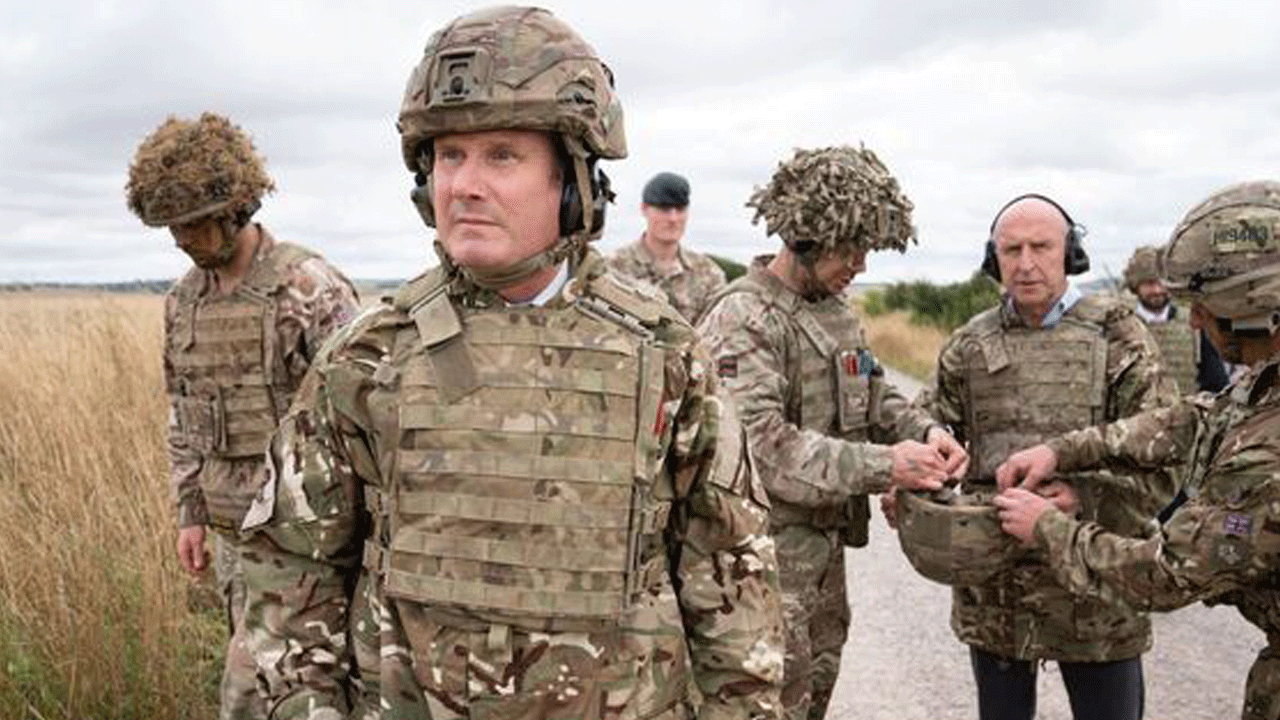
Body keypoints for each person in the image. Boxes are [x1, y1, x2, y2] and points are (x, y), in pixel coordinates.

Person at [239, 7, 784, 720]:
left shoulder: (665, 356)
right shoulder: (367, 355)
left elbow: (733, 580)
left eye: (501, 155)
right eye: (449, 156)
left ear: (572, 182)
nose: (464, 184)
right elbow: (289, 574)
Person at [697, 145, 967, 720]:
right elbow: (761, 447)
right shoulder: (743, 318)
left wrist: (926, 430)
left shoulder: (836, 312)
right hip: (756, 567)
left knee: (813, 696)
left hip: (821, 565)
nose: (861, 265)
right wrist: (887, 466)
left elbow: (872, 393)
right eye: (851, 248)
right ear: (807, 235)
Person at [996, 180, 1280, 720]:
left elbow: (1165, 573)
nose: (1193, 321)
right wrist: (1061, 451)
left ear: (1254, 307)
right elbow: (1198, 416)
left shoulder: (1265, 459)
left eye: (1204, 307)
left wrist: (1047, 527)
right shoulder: (1265, 381)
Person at [903, 194, 1175, 720]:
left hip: (1096, 586)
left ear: (1069, 253)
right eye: (1012, 250)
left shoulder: (1120, 338)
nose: (1026, 263)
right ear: (994, 259)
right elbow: (927, 425)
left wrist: (1082, 498)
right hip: (997, 593)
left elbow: (1165, 459)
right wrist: (918, 472)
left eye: (1041, 247)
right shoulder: (969, 344)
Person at [124, 111, 358, 720]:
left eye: (193, 224)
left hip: (308, 541)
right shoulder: (183, 303)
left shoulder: (308, 289)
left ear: (235, 208)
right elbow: (184, 418)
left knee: (277, 696)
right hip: (233, 536)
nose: (181, 239)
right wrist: (190, 513)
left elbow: (364, 419)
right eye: (171, 227)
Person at [608, 171, 726, 322]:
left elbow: (715, 329)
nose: (673, 218)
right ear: (644, 209)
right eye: (664, 210)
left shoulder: (709, 274)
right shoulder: (614, 267)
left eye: (680, 210)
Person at [1123, 244, 1231, 394]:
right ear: (1135, 286)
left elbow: (1216, 383)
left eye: (1161, 283)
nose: (1157, 290)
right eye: (1149, 284)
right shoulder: (1122, 326)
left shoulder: (1195, 324)